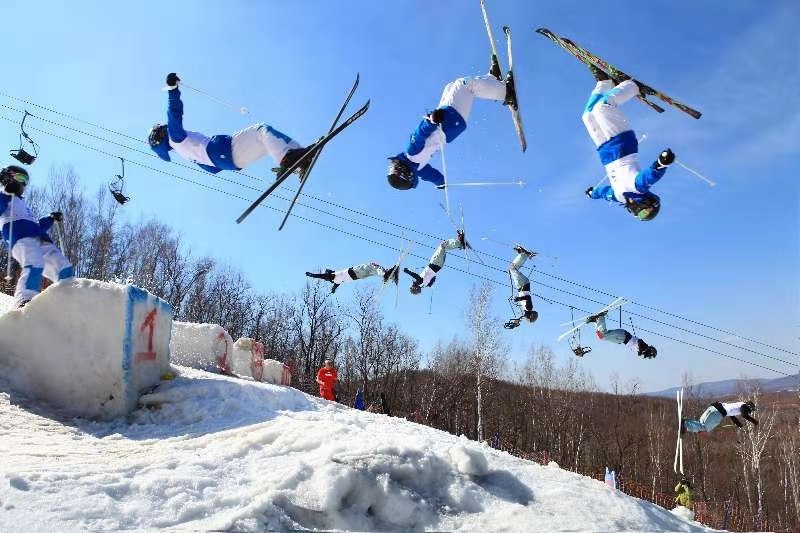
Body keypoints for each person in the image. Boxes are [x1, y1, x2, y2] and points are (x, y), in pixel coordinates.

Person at [148, 73, 314, 177]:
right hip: (226, 151)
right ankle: (288, 158)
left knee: (270, 141)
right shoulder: (175, 138)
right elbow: (174, 113)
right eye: (161, 130)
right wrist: (172, 89)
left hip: (233, 162)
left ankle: (298, 159)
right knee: (261, 130)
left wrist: (223, 161)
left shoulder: (185, 153)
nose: (164, 127)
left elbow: (212, 170)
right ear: (161, 137)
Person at [386, 67, 515, 190]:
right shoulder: (411, 152)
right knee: (465, 85)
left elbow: (432, 176)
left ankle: (492, 79)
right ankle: (506, 92)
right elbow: (420, 133)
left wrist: (441, 183)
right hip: (449, 121)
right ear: (404, 172)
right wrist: (431, 121)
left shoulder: (419, 168)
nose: (393, 166)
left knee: (450, 87)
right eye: (395, 169)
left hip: (450, 127)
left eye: (391, 168)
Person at [581, 64, 675, 221]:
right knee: (602, 108)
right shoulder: (638, 188)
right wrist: (661, 163)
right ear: (650, 204)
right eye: (644, 213)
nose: (638, 214)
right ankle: (633, 87)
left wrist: (593, 194)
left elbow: (604, 193)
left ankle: (604, 82)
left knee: (588, 117)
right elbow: (650, 176)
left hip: (604, 150)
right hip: (622, 145)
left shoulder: (619, 197)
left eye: (640, 216)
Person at [0, 166, 74, 308]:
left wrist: (50, 218)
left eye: (25, 180)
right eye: (20, 178)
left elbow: (36, 226)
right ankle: (25, 300)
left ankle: (68, 297)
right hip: (20, 236)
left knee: (63, 266)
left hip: (39, 237)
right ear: (8, 178)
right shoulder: (5, 197)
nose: (23, 183)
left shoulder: (22, 204)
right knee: (34, 263)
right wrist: (5, 193)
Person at [586, 310, 657, 358]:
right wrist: (641, 350)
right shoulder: (644, 346)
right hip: (623, 336)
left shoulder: (642, 351)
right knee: (603, 336)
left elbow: (636, 347)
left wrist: (640, 352)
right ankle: (600, 317)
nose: (648, 357)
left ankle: (596, 321)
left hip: (621, 340)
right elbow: (639, 342)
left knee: (602, 337)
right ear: (650, 351)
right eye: (649, 356)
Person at [305, 262, 399, 294]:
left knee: (372, 271)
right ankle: (386, 274)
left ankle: (390, 275)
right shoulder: (333, 276)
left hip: (357, 277)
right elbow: (322, 276)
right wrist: (313, 275)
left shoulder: (336, 281)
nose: (332, 270)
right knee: (372, 265)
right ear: (329, 274)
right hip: (354, 271)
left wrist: (333, 290)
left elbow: (334, 287)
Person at [504, 244, 539, 329]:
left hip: (521, 285)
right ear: (530, 315)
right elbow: (527, 297)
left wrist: (515, 323)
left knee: (512, 269)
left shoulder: (526, 311)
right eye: (528, 318)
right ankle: (524, 254)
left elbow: (520, 317)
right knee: (512, 269)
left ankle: (523, 255)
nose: (526, 318)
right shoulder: (529, 308)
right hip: (523, 284)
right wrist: (518, 299)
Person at [682, 400, 758, 435]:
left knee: (701, 424)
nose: (749, 412)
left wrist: (739, 425)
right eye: (750, 411)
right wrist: (755, 422)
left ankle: (685, 424)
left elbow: (732, 417)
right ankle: (684, 424)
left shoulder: (738, 405)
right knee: (704, 428)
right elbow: (744, 415)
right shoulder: (744, 406)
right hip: (717, 413)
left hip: (713, 408)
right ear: (749, 407)